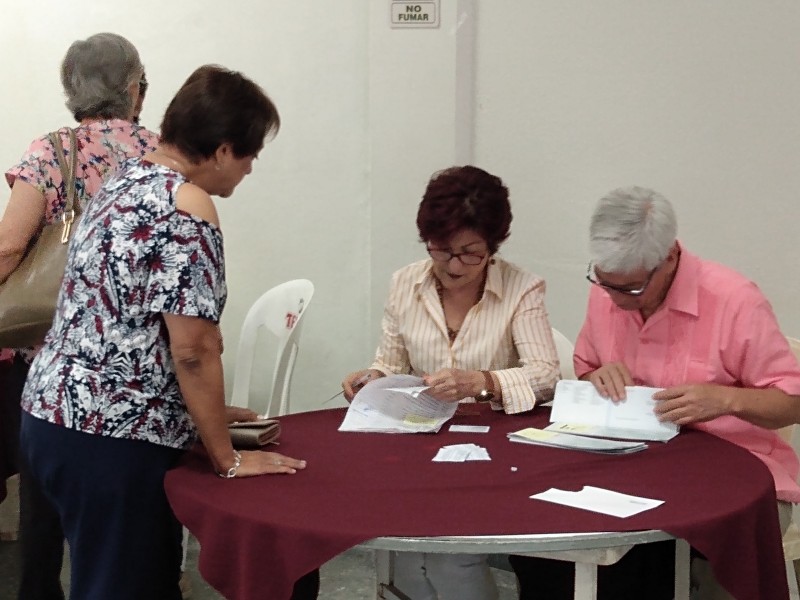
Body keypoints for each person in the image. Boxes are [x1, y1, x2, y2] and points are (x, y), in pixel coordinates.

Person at [17, 64, 314, 600]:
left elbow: (121, 325)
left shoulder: (126, 179)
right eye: (249, 156)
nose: (249, 171)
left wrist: (203, 414)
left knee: (119, 580)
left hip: (53, 414)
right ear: (223, 150)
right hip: (111, 438)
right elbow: (193, 349)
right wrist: (228, 457)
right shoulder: (185, 203)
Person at [510, 185, 800, 600]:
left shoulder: (735, 301)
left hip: (732, 467)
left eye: (628, 289)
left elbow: (792, 402)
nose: (613, 298)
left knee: (716, 551)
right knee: (545, 521)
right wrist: (596, 376)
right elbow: (588, 365)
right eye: (603, 282)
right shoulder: (609, 290)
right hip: (630, 459)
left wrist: (726, 399)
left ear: (669, 258)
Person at [342, 165, 561, 600]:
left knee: (454, 557)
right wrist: (373, 378)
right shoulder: (406, 282)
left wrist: (480, 382)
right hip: (419, 441)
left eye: (470, 253)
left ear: (493, 247)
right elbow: (391, 362)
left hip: (494, 449)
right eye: (441, 250)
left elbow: (546, 374)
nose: (453, 265)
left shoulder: (521, 288)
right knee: (405, 550)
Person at [0, 32, 159, 600]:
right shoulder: (163, 154)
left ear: (71, 89)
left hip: (54, 363)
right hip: (141, 367)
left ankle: (40, 588)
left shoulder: (51, 152)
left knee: (42, 505)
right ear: (134, 89)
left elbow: (8, 246)